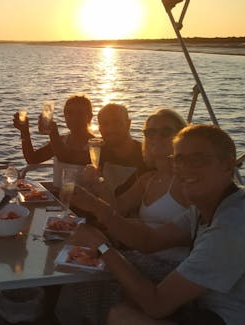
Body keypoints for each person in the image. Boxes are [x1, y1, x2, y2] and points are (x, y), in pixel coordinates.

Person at [70, 124, 245, 324]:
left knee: (120, 316)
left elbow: (157, 305)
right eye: (179, 159)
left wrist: (103, 246)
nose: (185, 168)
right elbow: (149, 240)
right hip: (205, 305)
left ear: (228, 165)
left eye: (198, 159)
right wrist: (97, 207)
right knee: (107, 288)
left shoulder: (233, 227)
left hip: (235, 318)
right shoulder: (209, 205)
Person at [56, 109, 190, 324]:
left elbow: (192, 232)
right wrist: (98, 184)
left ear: (182, 137)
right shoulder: (149, 179)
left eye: (165, 132)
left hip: (170, 266)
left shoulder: (187, 183)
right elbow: (116, 209)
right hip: (141, 252)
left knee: (89, 274)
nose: (156, 137)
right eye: (150, 132)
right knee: (79, 264)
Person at [13, 94, 95, 187]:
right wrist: (24, 131)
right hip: (57, 197)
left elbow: (65, 156)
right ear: (65, 116)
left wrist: (53, 133)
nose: (74, 117)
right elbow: (32, 159)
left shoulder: (96, 146)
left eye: (80, 113)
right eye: (69, 113)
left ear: (90, 117)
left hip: (83, 200)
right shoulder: (62, 141)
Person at [86, 103, 148, 196]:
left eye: (116, 122)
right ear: (99, 128)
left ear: (128, 124)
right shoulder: (99, 153)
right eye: (105, 124)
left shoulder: (145, 156)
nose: (110, 129)